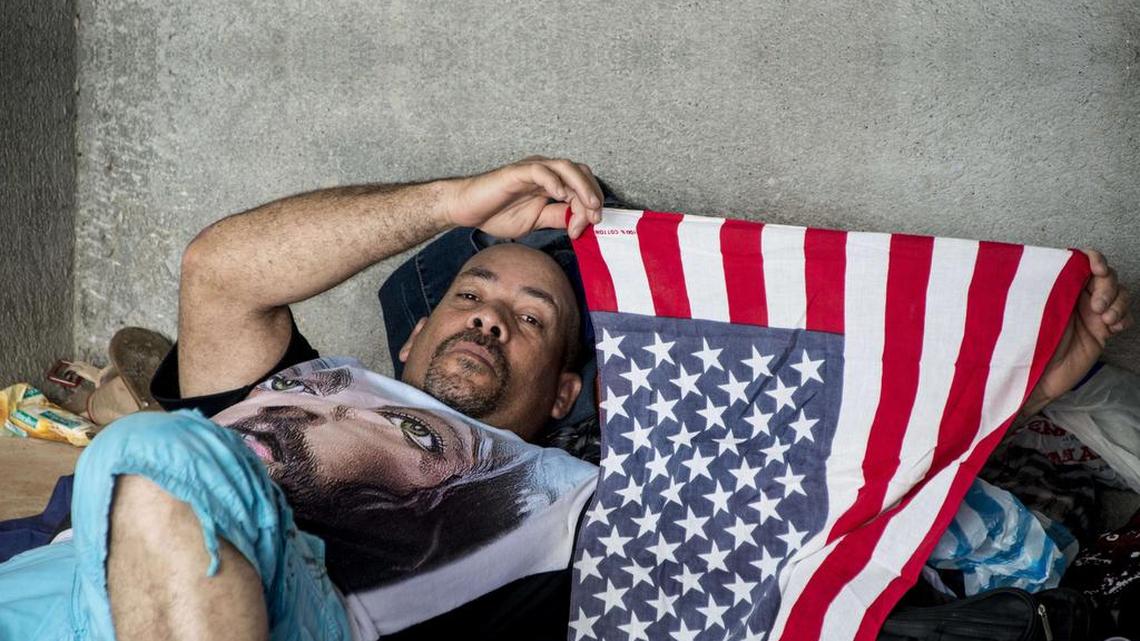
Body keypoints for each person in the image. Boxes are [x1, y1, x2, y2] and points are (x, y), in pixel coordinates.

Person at [0, 155, 1132, 641]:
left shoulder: (586, 506)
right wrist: (455, 195)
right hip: (65, 579)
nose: (487, 312)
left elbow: (840, 476)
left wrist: (1029, 376)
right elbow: (220, 268)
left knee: (158, 454)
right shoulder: (309, 381)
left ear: (569, 393)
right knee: (146, 469)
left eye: (530, 317)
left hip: (300, 611)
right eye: (472, 289)